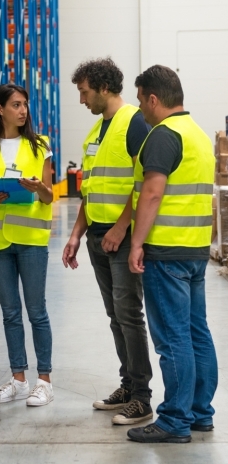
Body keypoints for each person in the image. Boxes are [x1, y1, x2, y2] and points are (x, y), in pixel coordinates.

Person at [127, 65, 218, 443]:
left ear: (153, 98)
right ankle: (200, 413)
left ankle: (175, 420)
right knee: (197, 332)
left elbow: (151, 193)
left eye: (141, 101)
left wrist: (136, 243)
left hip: (166, 252)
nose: (140, 110)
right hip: (195, 249)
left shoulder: (163, 135)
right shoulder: (196, 133)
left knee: (172, 338)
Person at [62, 58, 153, 425]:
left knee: (129, 316)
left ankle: (143, 398)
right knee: (115, 317)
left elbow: (145, 184)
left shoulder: (134, 123)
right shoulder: (96, 131)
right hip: (97, 237)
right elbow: (90, 190)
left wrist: (121, 228)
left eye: (84, 92)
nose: (81, 100)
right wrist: (75, 233)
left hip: (122, 236)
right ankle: (128, 385)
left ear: (102, 87)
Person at [0, 83, 54, 407]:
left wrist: (38, 187)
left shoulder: (40, 146)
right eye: (16, 105)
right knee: (10, 313)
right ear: (0, 109)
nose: (23, 111)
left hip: (32, 239)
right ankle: (18, 379)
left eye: (25, 105)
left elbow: (49, 196)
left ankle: (44, 380)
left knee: (37, 312)